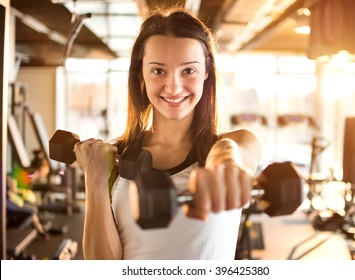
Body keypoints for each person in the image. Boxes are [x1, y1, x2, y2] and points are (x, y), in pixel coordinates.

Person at [74, 7, 261, 260]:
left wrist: (225, 161)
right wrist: (95, 179)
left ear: (206, 72)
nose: (173, 86)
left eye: (188, 70)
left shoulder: (234, 143)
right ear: (141, 74)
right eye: (159, 71)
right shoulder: (114, 159)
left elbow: (235, 153)